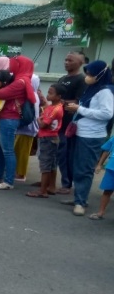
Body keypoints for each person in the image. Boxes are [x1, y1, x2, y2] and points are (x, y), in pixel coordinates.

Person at [61, 60, 114, 216]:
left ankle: (81, 202)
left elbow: (107, 114)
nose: (88, 77)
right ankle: (79, 197)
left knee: (84, 169)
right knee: (75, 166)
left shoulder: (105, 91)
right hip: (80, 131)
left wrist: (80, 109)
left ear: (100, 74)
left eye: (91, 74)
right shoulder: (92, 88)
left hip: (91, 135)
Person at [0, 55, 36, 190]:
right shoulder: (19, 79)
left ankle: (8, 181)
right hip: (5, 117)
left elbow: (2, 94)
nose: (10, 65)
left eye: (14, 63)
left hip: (9, 118)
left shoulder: (20, 81)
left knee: (7, 150)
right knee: (2, 150)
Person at [54, 51, 87, 194]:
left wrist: (60, 102)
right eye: (66, 60)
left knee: (66, 154)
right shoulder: (62, 79)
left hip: (69, 124)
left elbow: (79, 101)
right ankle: (48, 180)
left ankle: (66, 184)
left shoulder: (81, 80)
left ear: (80, 63)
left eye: (70, 60)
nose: (66, 62)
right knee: (53, 153)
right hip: (56, 122)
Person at [25, 83, 64, 198]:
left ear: (59, 96)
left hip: (48, 138)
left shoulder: (55, 109)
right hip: (50, 137)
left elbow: (43, 124)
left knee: (45, 164)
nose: (48, 95)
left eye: (51, 93)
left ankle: (43, 190)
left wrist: (38, 118)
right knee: (51, 163)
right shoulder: (52, 107)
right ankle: (51, 186)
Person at [13, 73, 41, 181]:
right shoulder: (30, 94)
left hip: (29, 127)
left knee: (23, 152)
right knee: (18, 150)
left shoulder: (32, 95)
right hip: (24, 127)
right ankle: (17, 171)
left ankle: (21, 173)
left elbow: (32, 114)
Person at [89, 132, 114, 220]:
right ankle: (101, 212)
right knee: (107, 191)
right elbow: (106, 150)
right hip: (111, 168)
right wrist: (99, 164)